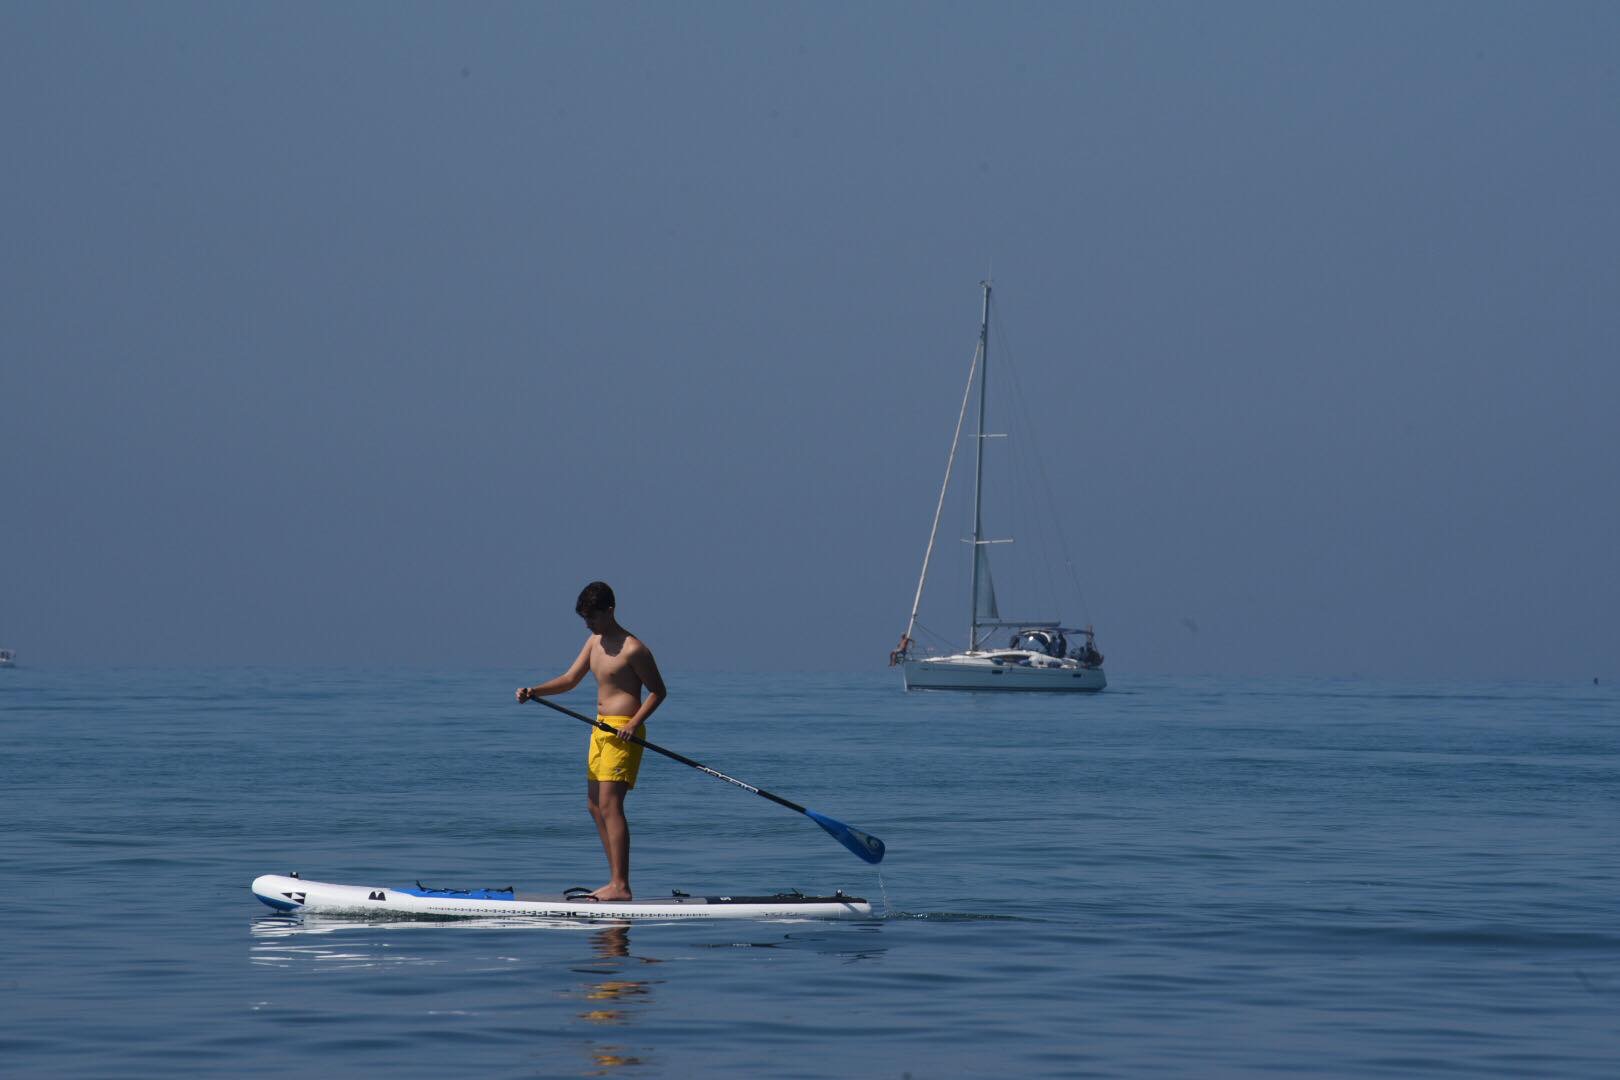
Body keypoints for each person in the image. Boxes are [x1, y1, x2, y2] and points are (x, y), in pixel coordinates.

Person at [517, 581, 666, 901]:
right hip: (599, 731)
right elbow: (570, 680)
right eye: (585, 619)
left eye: (593, 618)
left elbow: (658, 692)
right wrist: (535, 691)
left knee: (612, 805)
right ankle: (614, 882)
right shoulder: (593, 643)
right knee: (594, 806)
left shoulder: (633, 648)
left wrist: (634, 723)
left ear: (610, 611)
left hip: (624, 732)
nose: (588, 624)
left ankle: (621, 886)